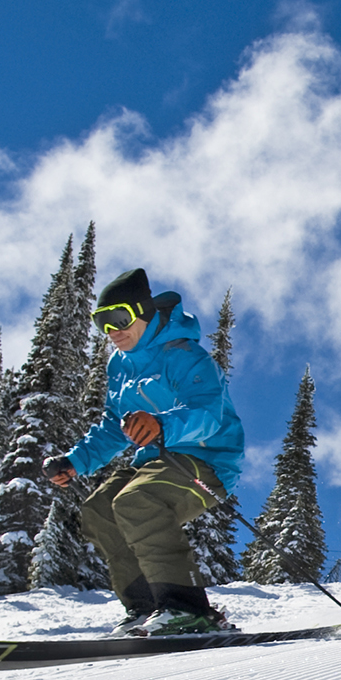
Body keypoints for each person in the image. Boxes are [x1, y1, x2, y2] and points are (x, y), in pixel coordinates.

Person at [46, 269, 247, 635]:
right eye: (102, 323)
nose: (113, 331)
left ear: (144, 312)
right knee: (98, 511)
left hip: (207, 461)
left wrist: (162, 425)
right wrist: (75, 462)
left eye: (120, 318)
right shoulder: (119, 366)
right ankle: (146, 607)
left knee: (136, 501)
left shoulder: (185, 356)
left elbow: (209, 413)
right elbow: (113, 426)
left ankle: (188, 609)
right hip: (154, 461)